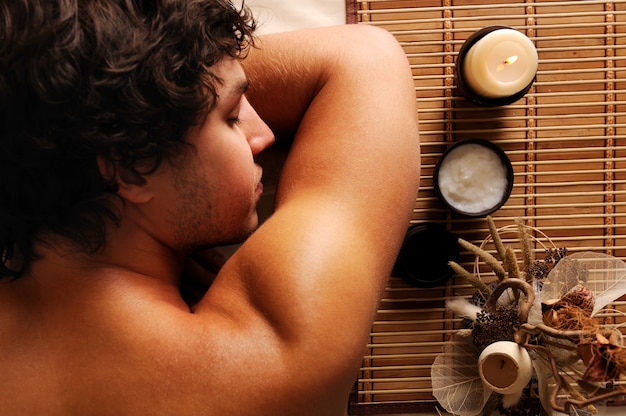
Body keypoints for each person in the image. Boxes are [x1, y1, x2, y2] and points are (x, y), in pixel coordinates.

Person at [0, 0, 420, 415]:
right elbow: (364, 57)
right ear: (133, 168)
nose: (265, 134)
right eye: (234, 116)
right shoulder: (271, 357)